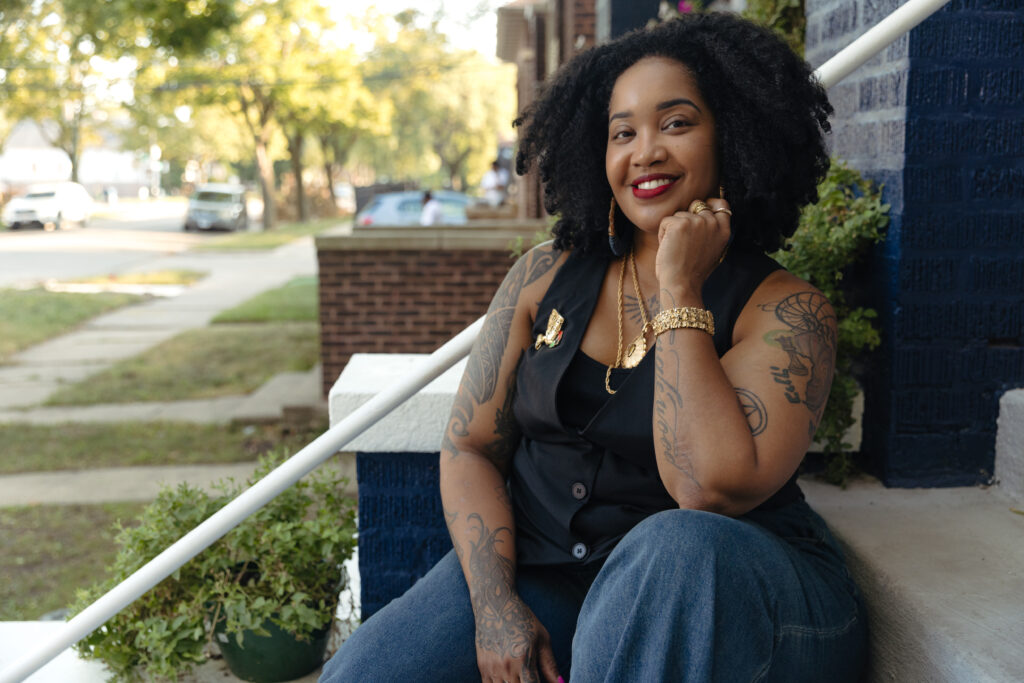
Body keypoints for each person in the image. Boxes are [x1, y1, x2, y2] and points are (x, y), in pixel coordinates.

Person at [320, 12, 866, 683]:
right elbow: (470, 445)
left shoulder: (786, 309)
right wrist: (494, 605)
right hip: (553, 569)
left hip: (727, 590)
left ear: (732, 135)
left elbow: (707, 488)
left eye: (676, 123)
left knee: (671, 549)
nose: (646, 152)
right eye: (622, 132)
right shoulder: (541, 276)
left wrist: (679, 288)